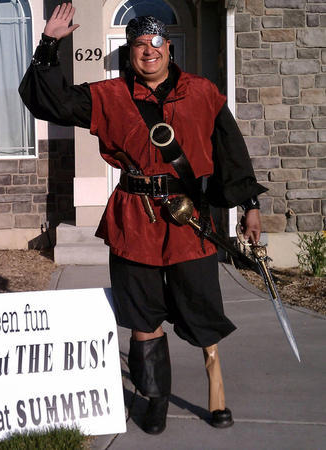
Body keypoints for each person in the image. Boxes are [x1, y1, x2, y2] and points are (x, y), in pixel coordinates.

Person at [19, 3, 266, 435]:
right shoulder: (109, 96)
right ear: (129, 52)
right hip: (135, 218)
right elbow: (50, 100)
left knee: (200, 306)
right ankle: (154, 397)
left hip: (191, 220)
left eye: (155, 42)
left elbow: (230, 151)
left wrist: (249, 207)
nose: (148, 51)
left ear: (168, 48)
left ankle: (216, 387)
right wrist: (49, 43)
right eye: (138, 44)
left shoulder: (203, 92)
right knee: (142, 315)